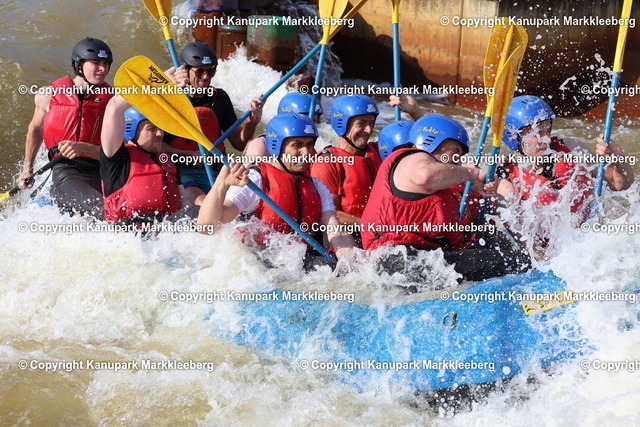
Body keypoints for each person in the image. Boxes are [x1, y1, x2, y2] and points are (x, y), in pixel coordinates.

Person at [361, 114, 531, 282]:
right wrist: (473, 173)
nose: (458, 161)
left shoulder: (447, 187)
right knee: (521, 263)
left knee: (503, 248)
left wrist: (493, 185)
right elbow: (424, 175)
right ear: (431, 141)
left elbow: (499, 200)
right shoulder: (411, 158)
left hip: (420, 263)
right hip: (401, 259)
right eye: (455, 151)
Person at [197, 114, 355, 267]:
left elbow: (336, 232)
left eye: (309, 144)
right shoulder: (255, 180)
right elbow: (207, 228)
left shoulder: (317, 187)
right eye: (297, 145)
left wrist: (350, 260)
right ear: (276, 146)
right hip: (258, 262)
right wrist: (221, 185)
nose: (306, 152)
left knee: (332, 267)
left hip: (296, 261)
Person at [16, 37, 114, 217]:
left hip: (104, 169)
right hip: (68, 170)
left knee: (128, 211)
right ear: (79, 65)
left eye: (106, 64)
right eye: (96, 63)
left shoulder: (113, 101)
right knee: (106, 213)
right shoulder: (48, 95)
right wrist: (27, 169)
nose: (103, 69)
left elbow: (121, 150)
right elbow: (36, 129)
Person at [165, 42, 264, 204]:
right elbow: (154, 145)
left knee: (232, 206)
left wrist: (251, 123)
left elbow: (239, 144)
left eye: (211, 71)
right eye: (200, 72)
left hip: (216, 170)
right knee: (205, 204)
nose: (206, 77)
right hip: (182, 172)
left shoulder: (219, 98)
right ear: (185, 70)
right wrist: (189, 155)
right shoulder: (169, 99)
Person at [497, 95, 634, 207]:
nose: (547, 139)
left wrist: (618, 159)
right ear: (513, 137)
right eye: (538, 133)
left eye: (548, 131)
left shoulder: (571, 149)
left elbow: (620, 185)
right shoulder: (505, 176)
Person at [100, 97, 193, 224]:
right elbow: (114, 106)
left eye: (161, 127)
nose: (160, 133)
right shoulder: (116, 159)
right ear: (131, 130)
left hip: (164, 230)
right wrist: (151, 89)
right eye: (151, 128)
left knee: (195, 213)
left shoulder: (166, 161)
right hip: (128, 230)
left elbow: (185, 207)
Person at [311, 95, 382, 232]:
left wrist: (413, 111)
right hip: (351, 234)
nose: (369, 130)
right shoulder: (328, 162)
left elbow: (419, 145)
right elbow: (327, 214)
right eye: (361, 123)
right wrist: (369, 227)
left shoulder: (378, 150)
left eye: (371, 123)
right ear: (342, 124)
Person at [242, 92, 324, 165]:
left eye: (314, 120)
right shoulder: (260, 146)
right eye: (305, 118)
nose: (310, 124)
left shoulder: (307, 147)